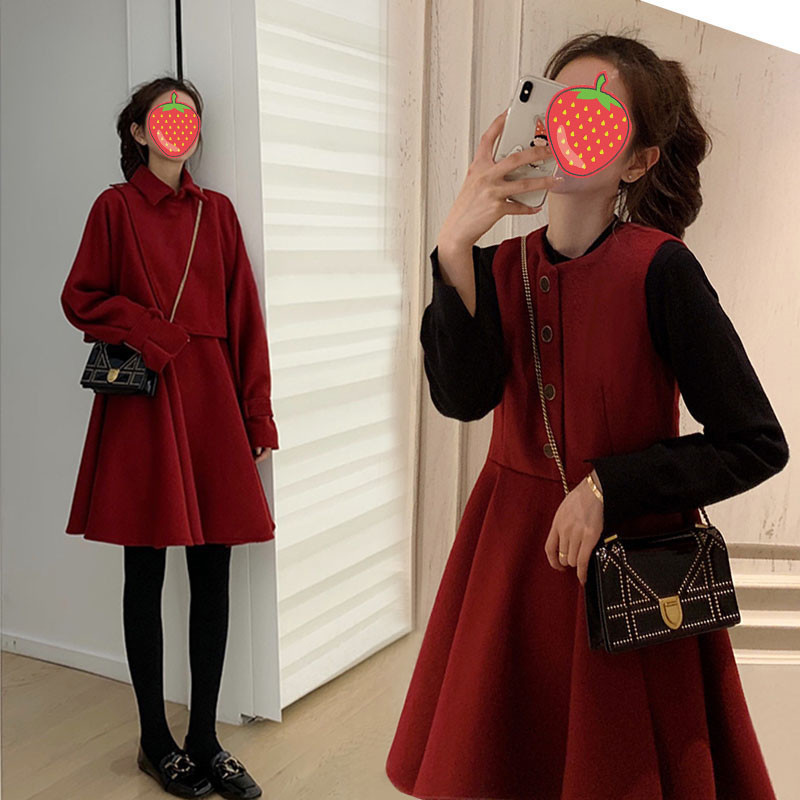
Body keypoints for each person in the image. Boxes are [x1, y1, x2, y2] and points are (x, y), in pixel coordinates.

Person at [385, 32, 789, 800]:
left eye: (596, 116)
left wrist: (609, 486)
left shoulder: (662, 269)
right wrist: (454, 243)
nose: (566, 125)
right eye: (556, 104)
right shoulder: (493, 266)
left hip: (630, 569)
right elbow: (461, 400)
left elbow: (755, 443)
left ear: (638, 161)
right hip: (510, 563)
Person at [60, 76, 276, 798]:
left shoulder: (218, 214)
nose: (180, 126)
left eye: (190, 116)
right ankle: (156, 740)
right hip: (146, 407)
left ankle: (205, 737)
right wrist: (151, 331)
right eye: (166, 115)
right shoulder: (114, 208)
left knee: (214, 570)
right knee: (145, 572)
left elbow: (245, 319)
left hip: (213, 404)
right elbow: (81, 297)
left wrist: (257, 415)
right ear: (138, 131)